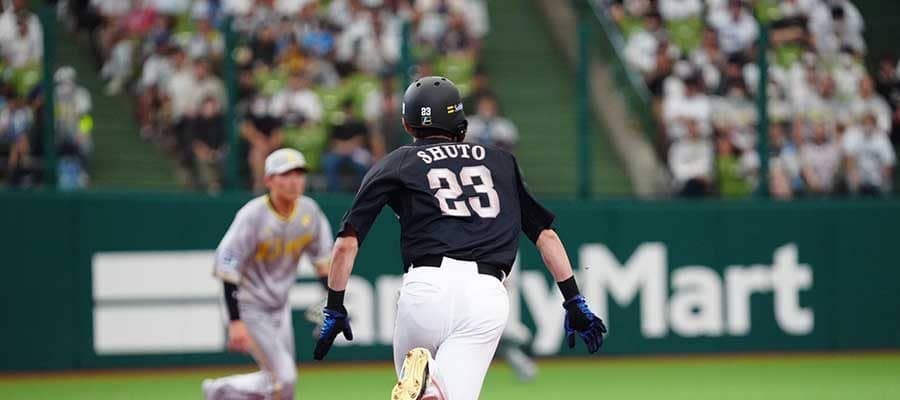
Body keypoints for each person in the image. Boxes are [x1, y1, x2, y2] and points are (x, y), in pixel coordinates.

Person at [312, 77, 607, 400]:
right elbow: (545, 235)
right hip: (485, 295)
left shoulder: (398, 161)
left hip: (425, 288)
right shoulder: (500, 161)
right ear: (461, 123)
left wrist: (335, 306)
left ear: (407, 124)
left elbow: (346, 243)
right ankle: (432, 384)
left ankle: (429, 381)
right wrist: (573, 300)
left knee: (421, 390)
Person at [202, 148, 334, 400]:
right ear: (268, 180)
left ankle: (220, 392)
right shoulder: (252, 216)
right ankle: (220, 391)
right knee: (285, 378)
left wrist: (333, 304)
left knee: (280, 382)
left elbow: (323, 263)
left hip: (279, 306)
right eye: (286, 174)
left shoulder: (309, 212)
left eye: (299, 174)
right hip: (248, 306)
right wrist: (235, 321)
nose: (294, 181)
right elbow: (227, 267)